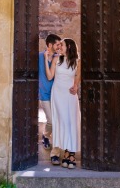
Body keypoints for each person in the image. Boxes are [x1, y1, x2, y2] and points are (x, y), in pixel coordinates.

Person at [44, 38, 81, 169]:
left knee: (71, 122)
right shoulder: (57, 59)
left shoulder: (77, 61)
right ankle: (66, 151)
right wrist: (45, 59)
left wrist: (76, 86)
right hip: (58, 94)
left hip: (70, 95)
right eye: (59, 45)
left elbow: (77, 76)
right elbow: (49, 77)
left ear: (69, 47)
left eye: (62, 45)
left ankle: (70, 153)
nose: (60, 47)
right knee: (62, 122)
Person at [38, 34, 63, 165]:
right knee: (52, 121)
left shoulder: (57, 58)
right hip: (44, 94)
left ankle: (54, 151)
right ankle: (46, 135)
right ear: (49, 45)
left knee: (56, 122)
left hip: (56, 94)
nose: (59, 46)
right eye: (57, 44)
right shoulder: (39, 57)